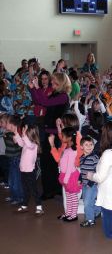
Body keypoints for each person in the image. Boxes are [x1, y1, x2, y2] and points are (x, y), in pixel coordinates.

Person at [29, 72, 71, 200]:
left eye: (53, 81)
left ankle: (53, 190)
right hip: (50, 131)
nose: (51, 83)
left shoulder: (63, 96)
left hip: (56, 134)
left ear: (60, 82)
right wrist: (33, 88)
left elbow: (45, 102)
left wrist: (36, 87)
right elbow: (39, 101)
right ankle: (50, 190)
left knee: (52, 163)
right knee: (47, 162)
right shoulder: (55, 94)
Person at [49, 127, 81, 222]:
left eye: (63, 136)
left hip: (70, 176)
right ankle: (68, 213)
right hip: (66, 176)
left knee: (73, 196)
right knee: (68, 196)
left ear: (69, 138)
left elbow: (70, 167)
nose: (61, 137)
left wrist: (66, 179)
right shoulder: (66, 149)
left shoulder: (72, 151)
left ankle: (74, 215)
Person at [14, 125, 43, 216]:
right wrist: (16, 133)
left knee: (34, 190)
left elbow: (28, 144)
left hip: (30, 171)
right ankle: (24, 205)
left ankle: (39, 207)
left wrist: (23, 134)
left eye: (26, 133)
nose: (24, 135)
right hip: (23, 170)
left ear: (31, 135)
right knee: (25, 189)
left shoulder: (33, 145)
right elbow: (20, 143)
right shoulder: (26, 144)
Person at [79, 136, 101, 228]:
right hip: (84, 184)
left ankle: (90, 220)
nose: (89, 146)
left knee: (87, 202)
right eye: (86, 145)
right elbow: (82, 171)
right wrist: (79, 179)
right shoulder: (82, 158)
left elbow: (97, 171)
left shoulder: (94, 158)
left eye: (91, 144)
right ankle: (97, 211)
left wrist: (90, 183)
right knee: (87, 201)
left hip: (92, 184)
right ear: (81, 147)